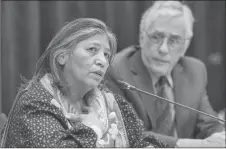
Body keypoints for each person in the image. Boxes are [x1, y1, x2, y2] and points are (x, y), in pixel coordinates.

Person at [0, 18, 168, 148]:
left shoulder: (114, 104)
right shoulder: (35, 103)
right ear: (62, 56)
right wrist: (92, 130)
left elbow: (141, 142)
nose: (102, 61)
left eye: (106, 55)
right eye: (92, 50)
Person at [105, 1, 225, 147]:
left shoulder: (194, 70)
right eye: (156, 37)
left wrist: (219, 138)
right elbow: (128, 133)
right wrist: (191, 144)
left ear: (185, 45)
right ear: (142, 36)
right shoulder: (117, 70)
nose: (163, 49)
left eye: (174, 40)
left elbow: (208, 124)